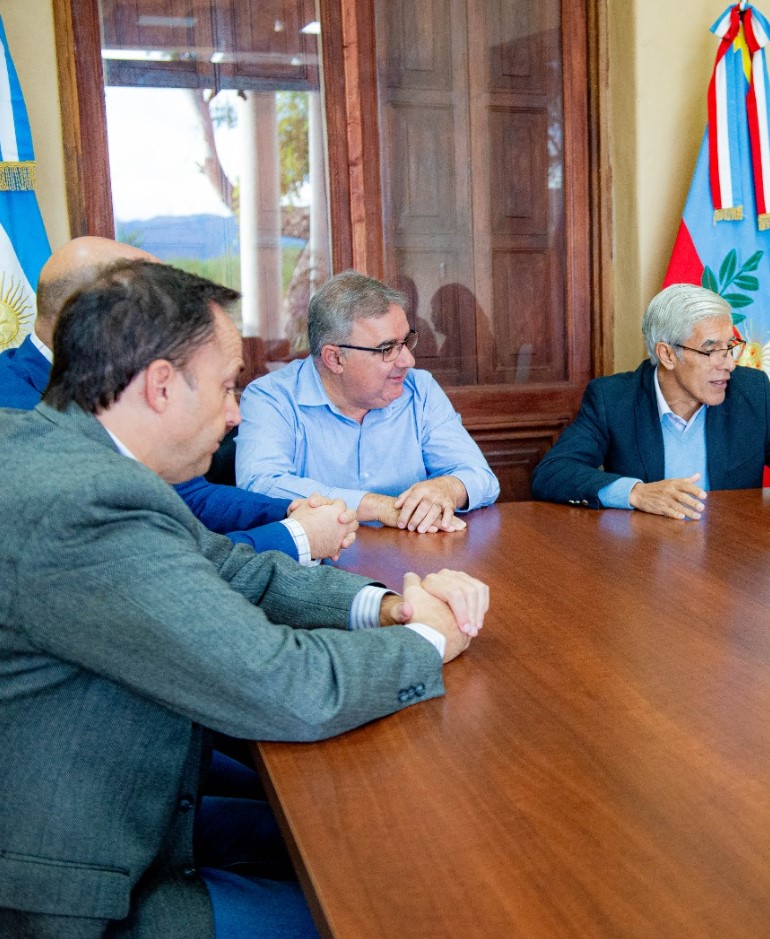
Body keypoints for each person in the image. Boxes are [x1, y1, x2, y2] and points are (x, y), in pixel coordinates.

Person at [0, 260, 490, 937]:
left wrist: (385, 606)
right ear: (162, 386)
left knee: (349, 844)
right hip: (89, 888)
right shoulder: (87, 505)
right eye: (229, 387)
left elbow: (234, 567)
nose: (235, 415)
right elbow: (286, 683)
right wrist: (428, 640)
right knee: (393, 909)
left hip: (135, 800)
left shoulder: (70, 453)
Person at [0, 236, 357, 564]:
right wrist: (296, 535)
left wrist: (289, 510)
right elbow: (143, 562)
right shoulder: (15, 415)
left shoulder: (127, 382)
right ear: (89, 315)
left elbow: (188, 495)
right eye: (153, 300)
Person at [530, 284, 770, 518]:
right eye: (711, 350)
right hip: (644, 563)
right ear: (667, 354)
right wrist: (636, 493)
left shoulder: (749, 391)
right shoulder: (613, 398)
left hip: (732, 559)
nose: (728, 363)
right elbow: (553, 473)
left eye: (730, 347)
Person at [237, 271, 500, 534]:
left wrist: (448, 488)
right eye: (387, 349)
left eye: (406, 342)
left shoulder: (420, 389)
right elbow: (260, 485)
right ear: (335, 358)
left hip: (414, 557)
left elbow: (482, 478)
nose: (408, 360)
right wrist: (376, 506)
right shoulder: (272, 398)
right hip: (319, 564)